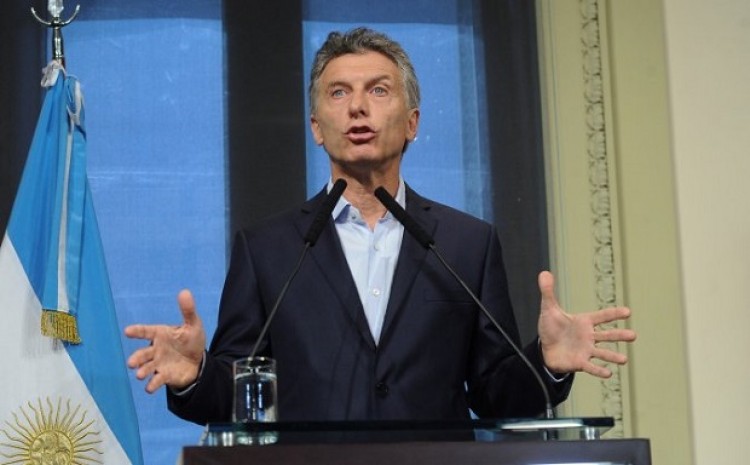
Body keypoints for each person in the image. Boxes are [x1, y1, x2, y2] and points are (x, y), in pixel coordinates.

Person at [125, 27, 636, 424]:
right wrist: (194, 375)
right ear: (317, 128)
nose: (358, 107)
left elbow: (494, 395)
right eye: (338, 93)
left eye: (378, 90)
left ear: (412, 122)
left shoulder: (467, 244)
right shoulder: (268, 249)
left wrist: (546, 362)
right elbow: (238, 396)